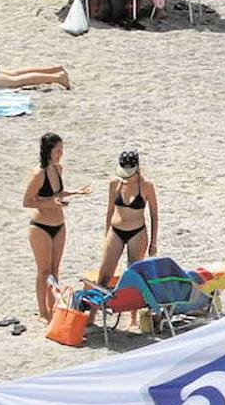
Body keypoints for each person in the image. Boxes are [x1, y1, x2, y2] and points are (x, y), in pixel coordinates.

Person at [22, 134, 92, 322]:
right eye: (57, 150)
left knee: (55, 270)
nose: (61, 154)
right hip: (40, 227)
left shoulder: (58, 168)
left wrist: (75, 192)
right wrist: (51, 204)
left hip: (59, 225)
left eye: (62, 150)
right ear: (48, 151)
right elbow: (27, 201)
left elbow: (58, 193)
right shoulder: (39, 173)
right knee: (43, 271)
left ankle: (53, 308)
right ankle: (42, 312)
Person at [96, 150, 159, 287]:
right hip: (116, 230)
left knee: (133, 275)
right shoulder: (115, 183)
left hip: (137, 232)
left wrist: (153, 243)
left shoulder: (146, 186)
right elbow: (110, 210)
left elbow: (154, 215)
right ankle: (95, 308)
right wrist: (107, 234)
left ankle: (132, 308)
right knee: (104, 274)